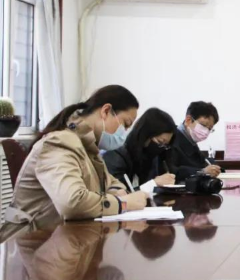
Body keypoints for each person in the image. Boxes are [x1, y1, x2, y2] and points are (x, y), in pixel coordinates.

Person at [5, 85, 148, 230]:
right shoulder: (60, 143)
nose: (124, 133)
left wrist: (116, 192)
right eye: (125, 124)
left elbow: (111, 183)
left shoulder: (89, 147)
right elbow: (71, 202)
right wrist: (122, 203)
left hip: (60, 234)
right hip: (32, 239)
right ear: (105, 111)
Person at [103, 107, 177, 193]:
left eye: (165, 145)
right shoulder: (116, 155)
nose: (161, 148)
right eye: (160, 142)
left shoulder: (149, 157)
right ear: (145, 134)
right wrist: (153, 184)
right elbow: (117, 195)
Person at [168, 101, 222, 181]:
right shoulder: (171, 140)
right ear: (188, 120)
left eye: (209, 129)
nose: (206, 131)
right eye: (203, 125)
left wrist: (214, 168)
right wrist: (202, 172)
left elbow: (202, 162)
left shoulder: (191, 141)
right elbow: (173, 171)